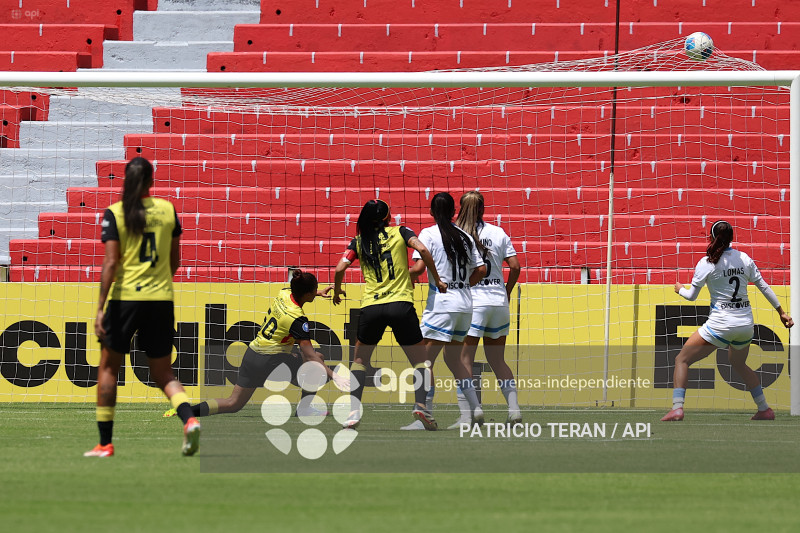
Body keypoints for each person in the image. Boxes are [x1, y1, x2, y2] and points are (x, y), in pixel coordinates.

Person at [87, 157, 199, 457]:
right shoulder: (167, 210)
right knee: (164, 373)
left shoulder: (116, 213)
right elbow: (175, 260)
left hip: (125, 299)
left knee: (109, 367)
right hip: (161, 299)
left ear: (126, 179)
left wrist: (100, 308)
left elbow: (111, 263)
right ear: (152, 180)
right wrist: (158, 283)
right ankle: (190, 420)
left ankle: (105, 443)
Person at [165, 270, 349, 420]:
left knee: (233, 403)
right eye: (314, 290)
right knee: (317, 360)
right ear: (307, 294)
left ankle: (186, 411)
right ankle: (304, 409)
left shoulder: (284, 293)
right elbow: (309, 355)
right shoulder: (297, 319)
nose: (317, 291)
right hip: (271, 361)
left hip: (253, 353)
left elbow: (298, 291)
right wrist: (334, 376)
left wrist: (317, 292)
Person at [662, 220, 793, 422]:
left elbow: (691, 297)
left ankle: (677, 408)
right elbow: (764, 287)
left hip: (720, 325)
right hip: (745, 325)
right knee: (738, 363)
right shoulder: (744, 258)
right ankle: (764, 409)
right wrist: (781, 312)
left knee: (682, 359)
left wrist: (680, 289)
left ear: (711, 238)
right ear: (732, 238)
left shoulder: (706, 263)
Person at [333, 199, 447, 430]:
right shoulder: (401, 232)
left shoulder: (358, 241)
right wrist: (437, 278)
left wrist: (337, 290)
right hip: (400, 305)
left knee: (359, 361)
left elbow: (340, 267)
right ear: (387, 217)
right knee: (420, 361)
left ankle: (354, 411)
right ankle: (421, 405)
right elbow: (423, 250)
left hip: (372, 307)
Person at [409, 192, 487, 427]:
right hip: (465, 304)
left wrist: (400, 275)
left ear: (431, 212)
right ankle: (475, 409)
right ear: (454, 212)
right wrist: (462, 286)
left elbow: (418, 268)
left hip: (442, 304)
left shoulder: (428, 234)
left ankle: (425, 414)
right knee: (454, 360)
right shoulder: (465, 235)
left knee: (423, 361)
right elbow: (481, 270)